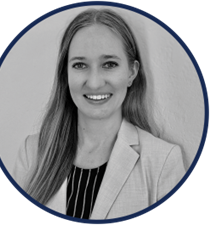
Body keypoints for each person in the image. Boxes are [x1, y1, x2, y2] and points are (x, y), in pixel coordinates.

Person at [12, 8, 186, 220]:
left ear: (131, 72)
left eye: (109, 64)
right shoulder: (32, 154)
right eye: (80, 65)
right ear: (65, 74)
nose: (94, 82)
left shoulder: (163, 163)